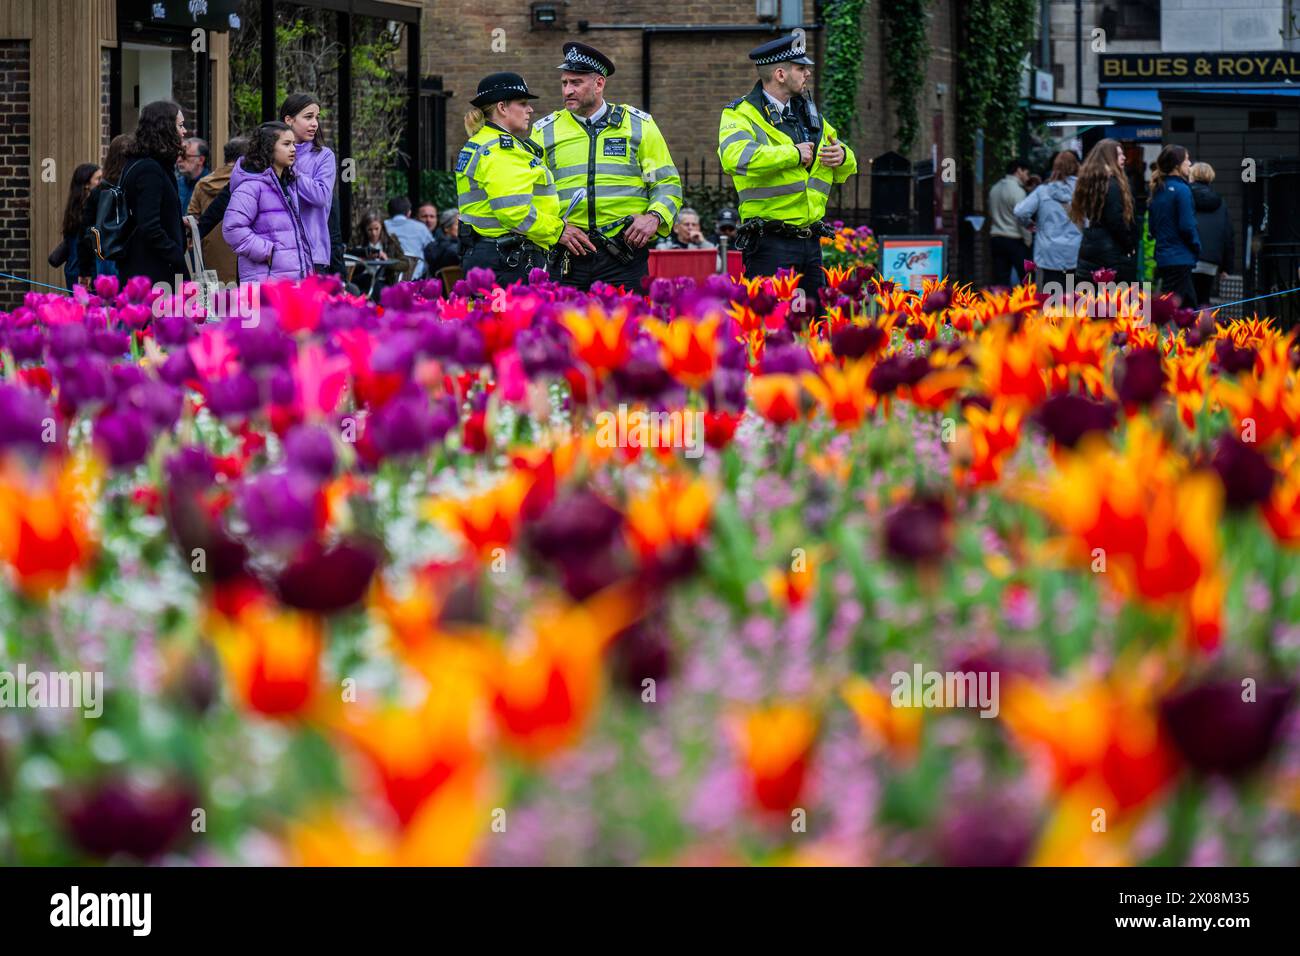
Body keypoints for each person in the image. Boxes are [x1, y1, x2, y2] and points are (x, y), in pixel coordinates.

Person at [718, 32, 856, 318]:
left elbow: (843, 153)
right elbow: (734, 157)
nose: (807, 73)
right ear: (780, 74)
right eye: (800, 68)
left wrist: (842, 156)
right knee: (772, 324)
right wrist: (792, 154)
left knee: (816, 325)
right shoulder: (741, 114)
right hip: (770, 242)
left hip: (810, 242)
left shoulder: (809, 113)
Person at [530, 42, 682, 292]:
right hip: (567, 252)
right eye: (564, 83)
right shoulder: (544, 131)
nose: (567, 90)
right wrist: (555, 230)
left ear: (599, 84)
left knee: (627, 328)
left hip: (623, 254)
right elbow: (531, 195)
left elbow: (665, 183)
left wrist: (654, 217)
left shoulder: (638, 125)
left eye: (576, 83)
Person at [455, 72, 565, 285]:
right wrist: (558, 230)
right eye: (523, 103)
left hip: (490, 254)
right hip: (508, 260)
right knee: (512, 319)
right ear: (502, 107)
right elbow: (515, 213)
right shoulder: (501, 149)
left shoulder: (482, 142)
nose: (530, 110)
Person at [223, 121, 314, 281]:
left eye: (293, 144)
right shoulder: (251, 187)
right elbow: (232, 228)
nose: (293, 149)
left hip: (290, 284)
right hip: (264, 283)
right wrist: (267, 251)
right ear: (268, 147)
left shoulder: (288, 184)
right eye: (286, 144)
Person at [118, 100, 189, 288]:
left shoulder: (142, 164)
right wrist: (175, 253)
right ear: (165, 128)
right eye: (180, 125)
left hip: (149, 266)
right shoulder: (150, 169)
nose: (184, 131)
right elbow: (149, 225)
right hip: (153, 273)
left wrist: (176, 222)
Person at [275, 93, 336, 276]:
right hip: (278, 254)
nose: (315, 123)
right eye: (308, 117)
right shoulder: (273, 155)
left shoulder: (324, 156)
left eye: (317, 118)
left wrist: (292, 169)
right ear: (289, 120)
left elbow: (321, 196)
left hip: (313, 255)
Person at [1069, 138, 1137, 284]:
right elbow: (1116, 220)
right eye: (1119, 154)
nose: (1124, 157)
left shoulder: (1090, 183)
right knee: (1114, 301)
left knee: (1092, 302)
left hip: (1089, 245)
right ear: (1109, 158)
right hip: (1111, 251)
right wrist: (1129, 245)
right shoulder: (1112, 185)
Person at [1013, 150, 1081, 292]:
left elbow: (1020, 211)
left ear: (1055, 168)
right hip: (1076, 253)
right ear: (1076, 166)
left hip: (1048, 255)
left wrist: (1029, 225)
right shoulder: (1084, 191)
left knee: (1051, 299)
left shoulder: (1042, 191)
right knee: (1075, 300)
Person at [1148, 144, 1201, 308]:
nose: (1190, 163)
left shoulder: (1157, 189)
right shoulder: (1182, 190)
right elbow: (1187, 225)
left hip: (1164, 256)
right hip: (1180, 256)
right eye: (1186, 160)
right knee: (1172, 309)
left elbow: (1153, 228)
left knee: (1188, 305)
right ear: (1177, 165)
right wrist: (1196, 245)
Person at [189, 136, 247, 284]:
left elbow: (192, 221)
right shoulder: (248, 183)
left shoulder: (203, 184)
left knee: (215, 305)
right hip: (241, 261)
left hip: (210, 261)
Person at [81, 133, 132, 279]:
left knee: (106, 299)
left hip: (104, 256)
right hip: (130, 256)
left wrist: (84, 271)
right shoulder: (134, 188)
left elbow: (86, 231)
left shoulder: (99, 191)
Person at [1188, 162, 1232, 308]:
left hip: (1189, 255)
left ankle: (1186, 330)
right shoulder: (1220, 202)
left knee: (1187, 300)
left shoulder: (1185, 197)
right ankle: (1203, 329)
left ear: (1192, 176)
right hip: (1211, 260)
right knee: (1204, 299)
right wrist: (1226, 267)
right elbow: (1228, 234)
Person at [53, 163, 100, 289]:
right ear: (86, 185)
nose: (102, 183)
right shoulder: (87, 210)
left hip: (74, 271)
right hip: (84, 276)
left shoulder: (74, 208)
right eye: (98, 179)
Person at [988, 159, 1032, 286]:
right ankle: (1027, 304)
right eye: (1027, 173)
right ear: (1019, 171)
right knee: (1026, 279)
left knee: (1001, 280)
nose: (1027, 177)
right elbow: (1022, 218)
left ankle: (1001, 304)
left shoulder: (994, 189)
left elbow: (991, 213)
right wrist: (1028, 240)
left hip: (996, 238)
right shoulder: (1018, 191)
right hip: (1014, 240)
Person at [353, 210, 404, 296]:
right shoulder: (358, 241)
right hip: (361, 279)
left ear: (382, 227)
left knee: (377, 288)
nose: (374, 233)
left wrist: (387, 260)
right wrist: (364, 259)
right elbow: (349, 264)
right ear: (364, 229)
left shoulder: (390, 242)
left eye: (376, 229)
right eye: (370, 230)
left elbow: (405, 264)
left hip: (383, 280)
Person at [384, 196, 434, 277]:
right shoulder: (421, 228)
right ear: (409, 213)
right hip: (416, 277)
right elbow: (432, 251)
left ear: (388, 213)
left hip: (389, 277)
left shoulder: (382, 226)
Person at [424, 207, 461, 275]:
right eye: (458, 225)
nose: (462, 228)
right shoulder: (456, 250)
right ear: (446, 228)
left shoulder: (431, 246)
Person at [176, 137, 209, 211]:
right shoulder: (176, 184)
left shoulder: (210, 186)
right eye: (178, 155)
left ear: (201, 160)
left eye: (185, 156)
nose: (179, 160)